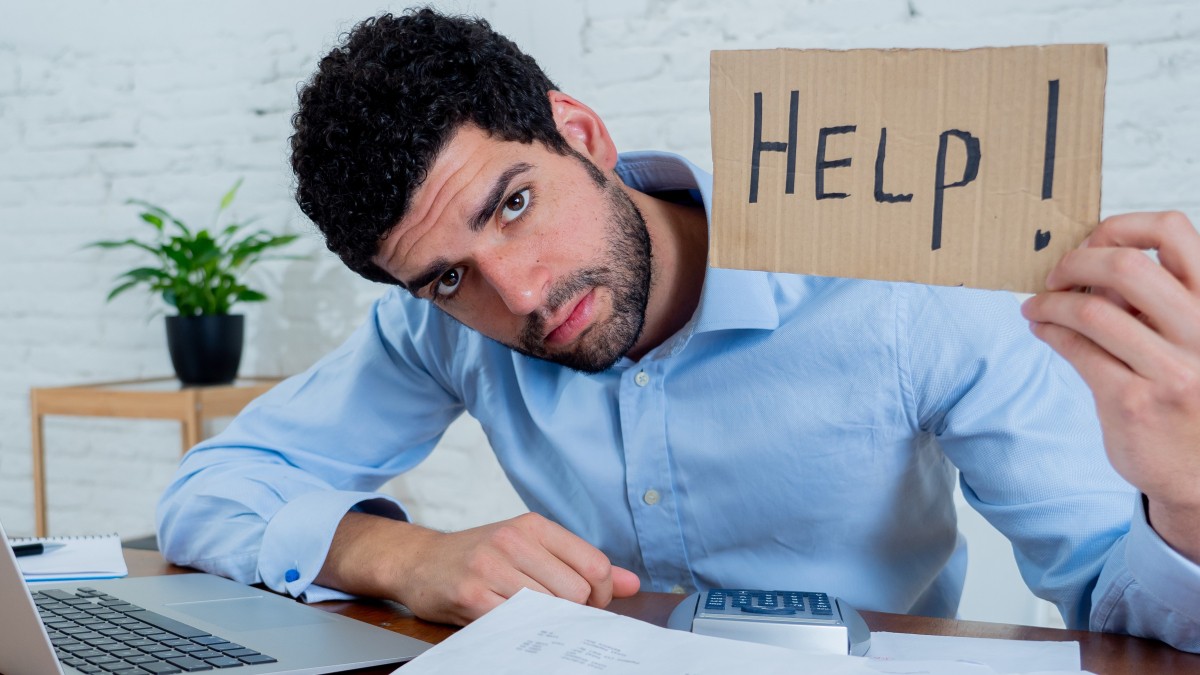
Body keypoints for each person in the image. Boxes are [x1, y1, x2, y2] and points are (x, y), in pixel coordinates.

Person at [157, 8, 1199, 650]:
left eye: (513, 203)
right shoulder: (442, 326)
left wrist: (1188, 501)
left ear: (581, 133)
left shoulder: (902, 287)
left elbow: (1118, 603)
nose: (515, 295)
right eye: (446, 278)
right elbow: (207, 495)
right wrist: (404, 556)